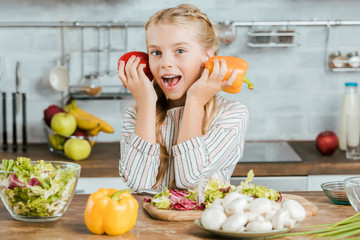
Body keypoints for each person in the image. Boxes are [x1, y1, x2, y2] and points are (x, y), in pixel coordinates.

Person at [118, 4, 249, 192]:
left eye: (180, 50)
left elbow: (191, 180)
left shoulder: (232, 113)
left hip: (203, 221)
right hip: (150, 221)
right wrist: (146, 103)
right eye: (156, 52)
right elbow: (138, 185)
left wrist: (195, 102)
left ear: (207, 55)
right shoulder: (137, 113)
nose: (165, 63)